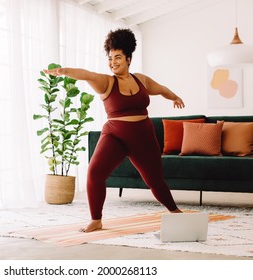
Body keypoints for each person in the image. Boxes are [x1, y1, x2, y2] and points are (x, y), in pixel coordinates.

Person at [44, 28, 184, 232]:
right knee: (94, 172)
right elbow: (87, 75)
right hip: (115, 136)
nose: (113, 62)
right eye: (110, 58)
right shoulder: (107, 82)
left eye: (117, 57)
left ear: (128, 58)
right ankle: (96, 219)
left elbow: (160, 89)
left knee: (154, 180)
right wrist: (64, 72)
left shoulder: (141, 79)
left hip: (143, 136)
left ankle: (174, 211)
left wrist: (175, 97)